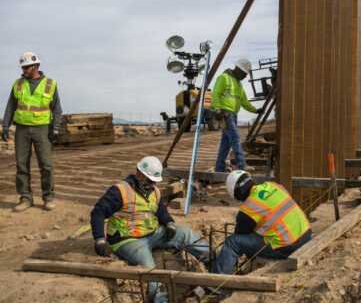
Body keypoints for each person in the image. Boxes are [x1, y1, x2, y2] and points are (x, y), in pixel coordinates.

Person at [90, 156, 210, 303]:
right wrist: (99, 239)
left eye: (154, 182)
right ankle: (160, 300)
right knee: (153, 272)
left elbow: (161, 212)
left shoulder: (155, 192)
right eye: (149, 181)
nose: (152, 185)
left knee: (185, 233)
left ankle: (214, 264)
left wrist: (169, 223)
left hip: (152, 234)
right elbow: (98, 212)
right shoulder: (120, 191)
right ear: (139, 174)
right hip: (128, 239)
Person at [210, 170, 311, 276]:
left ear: (238, 192)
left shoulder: (248, 208)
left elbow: (239, 235)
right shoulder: (273, 185)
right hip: (306, 234)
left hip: (288, 246)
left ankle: (215, 282)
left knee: (232, 243)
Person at [2, 52, 62, 212]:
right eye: (23, 67)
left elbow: (57, 109)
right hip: (21, 129)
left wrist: (56, 127)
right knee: (22, 166)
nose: (24, 69)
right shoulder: (18, 84)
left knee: (46, 165)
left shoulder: (50, 84)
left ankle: (48, 197)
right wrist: (5, 126)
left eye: (26, 67)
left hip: (42, 130)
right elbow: (10, 106)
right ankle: (25, 198)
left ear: (35, 66)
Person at [212, 59, 263, 173]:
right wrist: (217, 109)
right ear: (238, 69)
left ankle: (219, 169)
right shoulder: (224, 78)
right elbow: (215, 93)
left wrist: (256, 110)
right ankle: (242, 165)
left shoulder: (239, 84)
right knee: (236, 138)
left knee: (225, 144)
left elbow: (244, 101)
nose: (245, 76)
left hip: (233, 115)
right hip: (226, 114)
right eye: (244, 73)